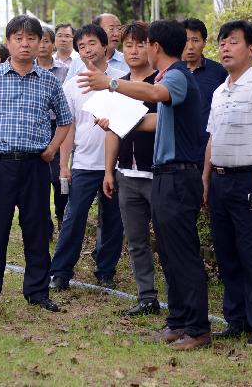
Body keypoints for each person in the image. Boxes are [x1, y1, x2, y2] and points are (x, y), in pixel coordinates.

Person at [79, 19, 210, 351]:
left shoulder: (177, 76)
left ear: (155, 47)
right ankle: (178, 321)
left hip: (179, 177)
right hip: (165, 175)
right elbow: (154, 119)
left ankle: (198, 328)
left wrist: (110, 84)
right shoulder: (172, 77)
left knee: (183, 254)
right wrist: (118, 122)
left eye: (145, 43)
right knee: (168, 252)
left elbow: (154, 94)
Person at [0, 15, 72, 312]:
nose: (25, 44)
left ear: (39, 44)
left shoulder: (49, 81)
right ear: (8, 42)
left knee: (36, 229)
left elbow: (65, 121)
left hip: (35, 165)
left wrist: (51, 149)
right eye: (18, 38)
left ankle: (37, 291)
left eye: (31, 38)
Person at [201, 20, 252, 349]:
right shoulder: (220, 90)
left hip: (250, 179)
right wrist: (205, 178)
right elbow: (211, 137)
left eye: (232, 42)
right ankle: (236, 320)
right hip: (219, 181)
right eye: (221, 42)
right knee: (226, 252)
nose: (224, 48)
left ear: (250, 49)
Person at [49, 24, 126, 291]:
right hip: (83, 163)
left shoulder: (122, 78)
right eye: (81, 46)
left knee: (113, 220)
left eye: (92, 43)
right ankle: (60, 272)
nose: (87, 50)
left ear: (105, 46)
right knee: (73, 218)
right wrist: (63, 165)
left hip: (117, 165)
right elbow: (68, 127)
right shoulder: (72, 85)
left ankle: (106, 270)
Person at [101, 22, 160, 316]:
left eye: (140, 44)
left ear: (152, 47)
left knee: (169, 239)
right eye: (128, 45)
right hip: (127, 173)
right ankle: (146, 297)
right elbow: (112, 132)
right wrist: (109, 170)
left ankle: (180, 298)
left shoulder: (159, 82)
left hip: (158, 173)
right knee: (136, 241)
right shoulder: (118, 83)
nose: (134, 51)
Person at [36, 26, 69, 236]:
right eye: (39, 40)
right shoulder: (28, 68)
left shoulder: (64, 71)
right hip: (37, 127)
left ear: (53, 43)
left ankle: (62, 218)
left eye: (47, 41)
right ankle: (44, 224)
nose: (42, 45)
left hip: (58, 127)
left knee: (59, 178)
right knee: (39, 180)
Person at [181, 18, 226, 162]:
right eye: (186, 40)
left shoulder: (219, 72)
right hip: (179, 153)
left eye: (195, 40)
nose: (190, 46)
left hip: (209, 151)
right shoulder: (170, 72)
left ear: (204, 43)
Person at [65, 13, 128, 80]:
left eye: (119, 29)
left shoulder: (127, 61)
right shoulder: (77, 63)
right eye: (111, 29)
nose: (116, 34)